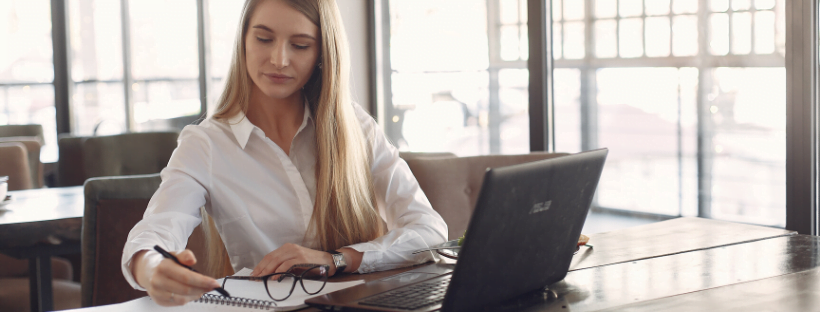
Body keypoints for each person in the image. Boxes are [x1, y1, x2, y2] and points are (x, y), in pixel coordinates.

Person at [121, 0, 448, 306]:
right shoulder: (205, 144)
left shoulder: (354, 126)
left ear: (322, 51)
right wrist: (151, 267)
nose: (279, 59)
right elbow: (158, 228)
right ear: (244, 40)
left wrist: (338, 259)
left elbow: (429, 231)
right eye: (264, 39)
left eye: (300, 45)